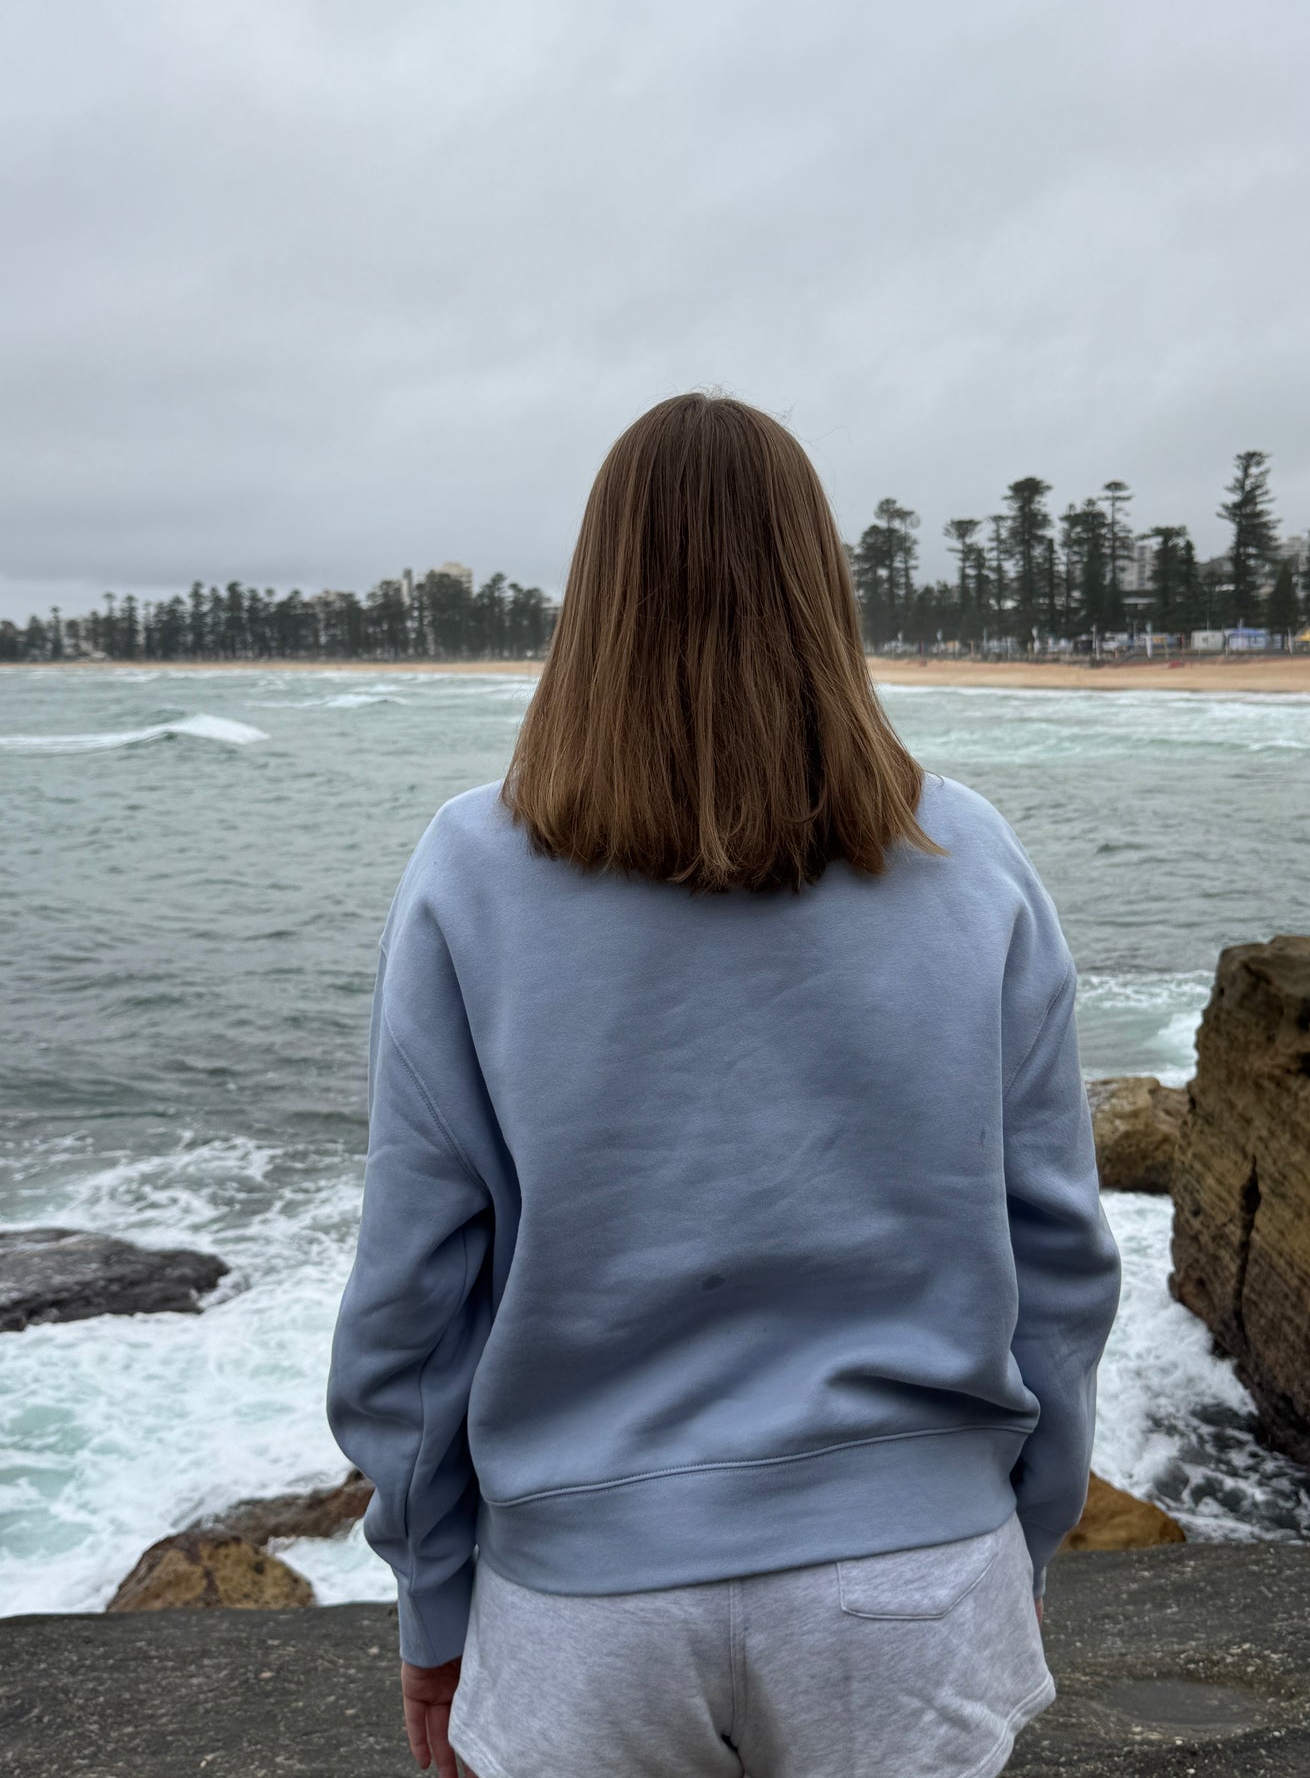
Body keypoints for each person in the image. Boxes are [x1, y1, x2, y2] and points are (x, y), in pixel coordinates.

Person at [326, 391, 1122, 1778]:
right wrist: (1024, 1528)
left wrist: (431, 1597)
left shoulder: (470, 871)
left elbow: (410, 1294)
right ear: (821, 585)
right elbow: (1060, 1251)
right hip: (913, 1575)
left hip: (583, 1609)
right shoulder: (967, 857)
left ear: (598, 593)